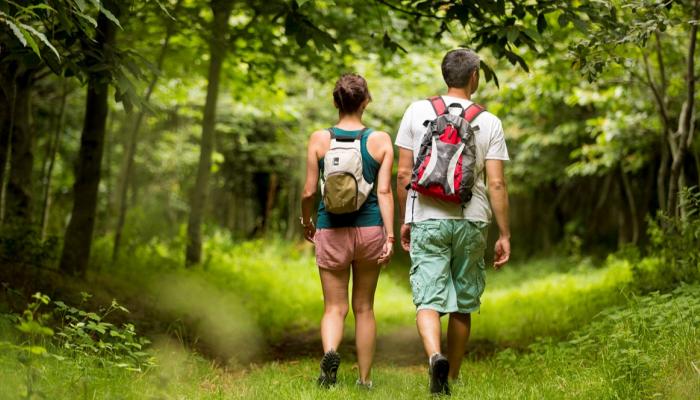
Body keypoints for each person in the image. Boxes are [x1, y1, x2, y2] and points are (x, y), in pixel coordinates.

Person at [395, 49, 511, 395]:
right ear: (474, 76)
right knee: (463, 302)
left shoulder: (417, 112)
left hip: (427, 216)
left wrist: (407, 219)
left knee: (427, 300)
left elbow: (403, 172)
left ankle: (434, 357)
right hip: (470, 218)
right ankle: (453, 377)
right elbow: (496, 183)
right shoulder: (489, 121)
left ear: (445, 74)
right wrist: (504, 233)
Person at [300, 73, 395, 389]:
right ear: (366, 100)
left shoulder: (319, 139)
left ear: (335, 102)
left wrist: (307, 222)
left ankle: (330, 355)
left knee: (334, 307)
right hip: (369, 231)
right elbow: (384, 192)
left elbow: (308, 192)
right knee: (364, 307)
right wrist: (390, 236)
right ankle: (364, 380)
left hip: (331, 229)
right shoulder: (380, 140)